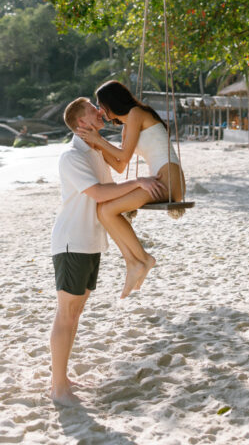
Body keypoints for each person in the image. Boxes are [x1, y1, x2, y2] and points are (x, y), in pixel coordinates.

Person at [50, 96, 165, 405]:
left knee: (75, 314)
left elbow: (113, 181)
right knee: (67, 313)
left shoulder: (94, 151)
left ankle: (63, 379)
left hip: (90, 242)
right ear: (80, 123)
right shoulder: (71, 156)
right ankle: (58, 387)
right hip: (71, 241)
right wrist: (138, 182)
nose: (100, 112)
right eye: (92, 109)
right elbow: (99, 193)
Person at [76, 80, 186, 295]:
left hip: (169, 181)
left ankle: (142, 260)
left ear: (111, 103)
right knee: (103, 211)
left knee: (106, 210)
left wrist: (98, 139)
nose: (100, 110)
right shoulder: (128, 126)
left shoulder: (136, 113)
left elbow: (124, 155)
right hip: (159, 181)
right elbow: (119, 165)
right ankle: (134, 262)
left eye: (100, 104)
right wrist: (96, 143)